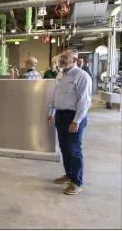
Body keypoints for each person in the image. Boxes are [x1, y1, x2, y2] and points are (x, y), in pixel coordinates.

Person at [47, 48, 92, 195]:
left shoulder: (82, 76)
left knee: (74, 150)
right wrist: (51, 112)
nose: (61, 59)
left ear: (74, 60)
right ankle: (69, 174)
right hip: (60, 115)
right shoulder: (61, 74)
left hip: (73, 117)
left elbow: (84, 102)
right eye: (61, 56)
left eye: (65, 57)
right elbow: (55, 95)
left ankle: (77, 182)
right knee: (64, 148)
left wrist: (76, 121)